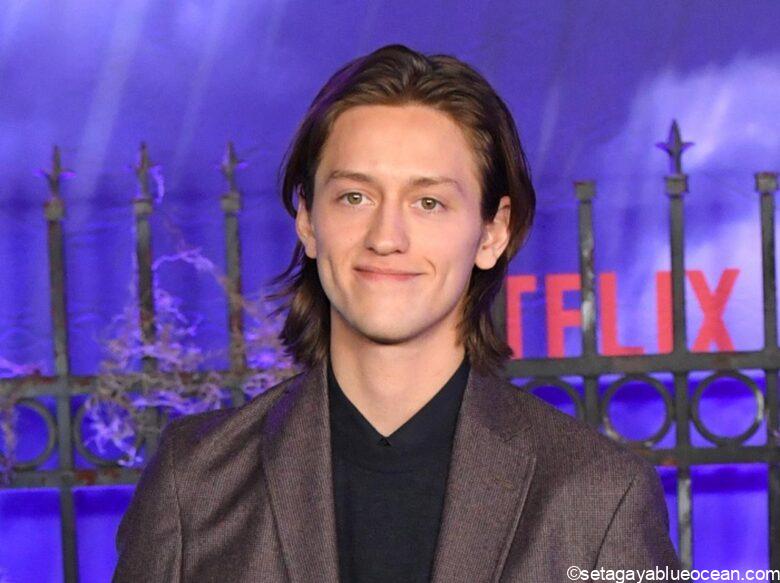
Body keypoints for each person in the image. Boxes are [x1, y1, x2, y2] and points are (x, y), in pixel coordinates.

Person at [113, 44, 680, 582]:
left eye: (429, 202)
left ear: (492, 233)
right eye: (355, 197)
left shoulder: (598, 495)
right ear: (308, 220)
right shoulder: (196, 481)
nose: (386, 237)